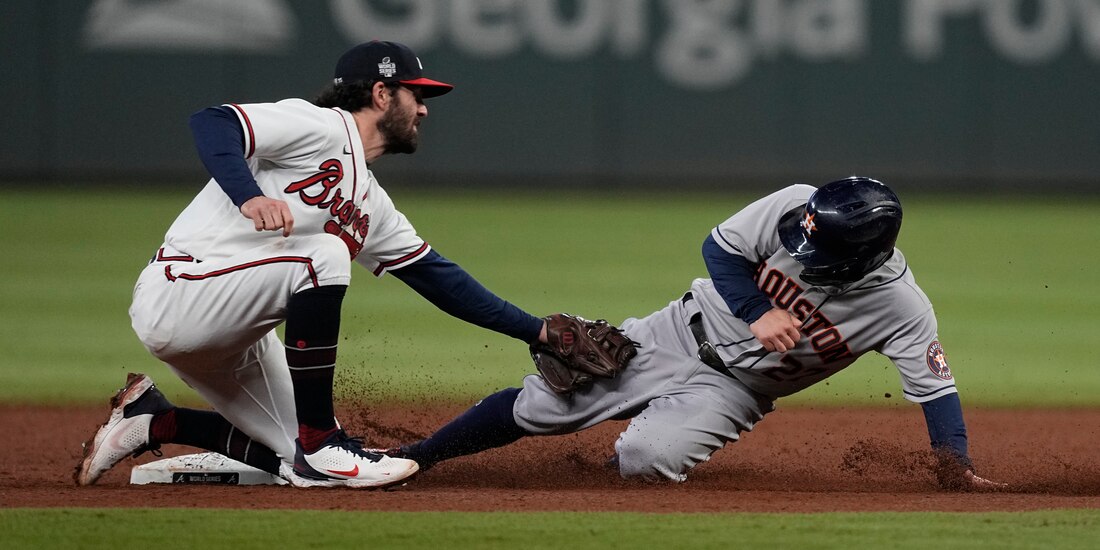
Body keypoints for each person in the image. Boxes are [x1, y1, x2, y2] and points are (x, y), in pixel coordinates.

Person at [74, 41, 548, 489]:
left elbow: (439, 278)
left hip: (236, 332)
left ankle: (155, 420)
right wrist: (251, 196)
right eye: (416, 95)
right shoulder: (319, 125)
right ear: (382, 94)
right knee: (324, 254)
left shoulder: (371, 203)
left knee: (298, 465)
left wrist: (539, 333)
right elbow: (212, 121)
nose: (424, 109)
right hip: (182, 292)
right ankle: (323, 442)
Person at [380, 177, 1005, 490]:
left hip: (735, 392)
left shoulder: (901, 308)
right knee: (542, 404)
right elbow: (721, 247)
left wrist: (958, 469)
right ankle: (414, 459)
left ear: (861, 255)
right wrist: (759, 309)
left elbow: (935, 392)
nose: (800, 244)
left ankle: (583, 485)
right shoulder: (796, 201)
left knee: (644, 460)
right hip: (678, 331)